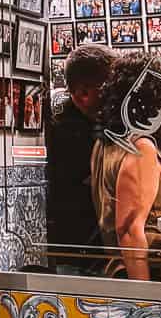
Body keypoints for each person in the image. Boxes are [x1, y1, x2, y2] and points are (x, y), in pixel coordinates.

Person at [91, 51, 161, 280]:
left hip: (145, 266)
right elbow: (129, 229)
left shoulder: (108, 142)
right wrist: (145, 298)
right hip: (159, 269)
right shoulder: (140, 148)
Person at [45, 44, 114, 272]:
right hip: (77, 251)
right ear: (84, 93)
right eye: (108, 88)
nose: (116, 95)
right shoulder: (65, 133)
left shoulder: (102, 123)